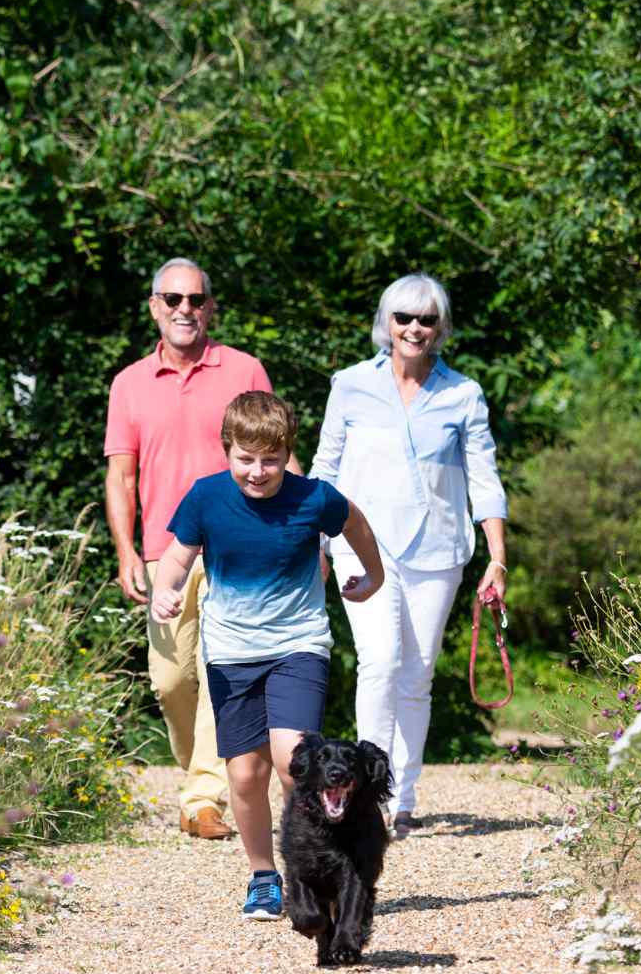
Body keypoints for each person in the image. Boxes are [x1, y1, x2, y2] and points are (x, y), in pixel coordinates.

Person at [150, 391, 384, 919]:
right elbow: (177, 557)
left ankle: (315, 869)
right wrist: (168, 590)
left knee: (291, 761)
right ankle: (262, 876)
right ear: (227, 450)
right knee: (245, 777)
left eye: (271, 460)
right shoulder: (206, 498)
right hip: (232, 654)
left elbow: (357, 524)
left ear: (287, 454)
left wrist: (373, 574)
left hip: (298, 645)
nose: (258, 472)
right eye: (246, 460)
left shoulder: (312, 498)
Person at [310, 273, 508, 838]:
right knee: (379, 660)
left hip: (438, 551)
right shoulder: (349, 386)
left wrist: (496, 559)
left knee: (416, 676)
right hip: (359, 544)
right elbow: (325, 469)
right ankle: (364, 796)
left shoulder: (462, 394)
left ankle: (403, 794)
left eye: (425, 319)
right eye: (403, 318)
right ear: (386, 323)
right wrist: (317, 543)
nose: (414, 328)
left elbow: (484, 480)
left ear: (440, 327)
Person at [105, 257, 282, 841]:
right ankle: (198, 777)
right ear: (155, 305)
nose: (186, 309)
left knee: (220, 671)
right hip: (164, 550)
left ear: (210, 307)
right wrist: (127, 551)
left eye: (197, 299)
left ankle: (205, 794)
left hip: (240, 546)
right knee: (171, 679)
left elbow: (275, 455)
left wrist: (306, 533)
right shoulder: (129, 384)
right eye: (174, 299)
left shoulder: (244, 369)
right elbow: (121, 478)